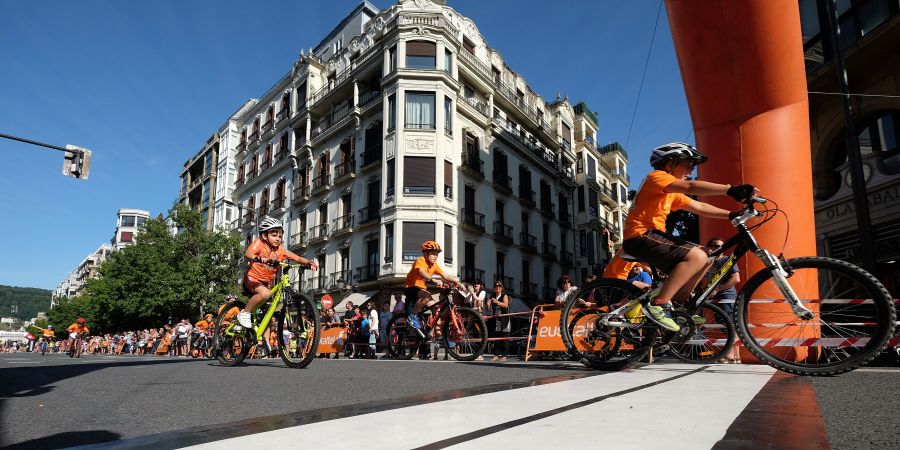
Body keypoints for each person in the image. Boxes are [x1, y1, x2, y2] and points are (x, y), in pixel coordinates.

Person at [603, 142, 757, 332]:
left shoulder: (671, 192)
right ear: (670, 164)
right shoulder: (657, 177)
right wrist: (730, 189)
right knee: (697, 256)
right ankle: (658, 305)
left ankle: (681, 304)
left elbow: (698, 207)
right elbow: (691, 186)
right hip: (640, 236)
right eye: (688, 164)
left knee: (707, 255)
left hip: (653, 237)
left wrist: (731, 215)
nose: (691, 169)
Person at [239, 217, 318, 328]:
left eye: (280, 236)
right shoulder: (259, 243)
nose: (278, 238)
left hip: (265, 283)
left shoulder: (280, 250)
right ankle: (245, 313)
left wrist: (309, 262)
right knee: (265, 293)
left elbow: (296, 257)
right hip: (252, 279)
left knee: (268, 315)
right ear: (264, 236)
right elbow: (248, 253)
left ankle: (267, 345)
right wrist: (258, 258)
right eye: (274, 235)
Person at [403, 240, 460, 334]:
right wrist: (432, 279)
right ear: (425, 253)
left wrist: (458, 282)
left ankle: (438, 335)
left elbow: (445, 276)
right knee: (426, 296)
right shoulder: (420, 260)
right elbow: (421, 272)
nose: (435, 256)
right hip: (410, 287)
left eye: (437, 254)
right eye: (433, 254)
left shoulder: (434, 265)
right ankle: (412, 317)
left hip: (421, 289)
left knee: (436, 310)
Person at [705, 237, 742, 364]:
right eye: (715, 245)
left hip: (727, 296)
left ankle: (730, 354)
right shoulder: (709, 262)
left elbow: (736, 279)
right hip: (717, 299)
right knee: (727, 327)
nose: (719, 248)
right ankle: (736, 357)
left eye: (722, 246)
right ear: (709, 247)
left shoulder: (727, 260)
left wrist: (717, 288)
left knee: (730, 326)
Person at [489, 281, 511, 361]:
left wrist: (497, 302)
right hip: (497, 319)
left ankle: (504, 355)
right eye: (496, 286)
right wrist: (488, 303)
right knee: (497, 337)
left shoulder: (504, 295)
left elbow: (505, 305)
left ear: (502, 288)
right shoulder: (492, 296)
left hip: (505, 319)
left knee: (505, 337)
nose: (498, 287)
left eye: (499, 286)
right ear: (494, 287)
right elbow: (488, 303)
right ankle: (496, 354)